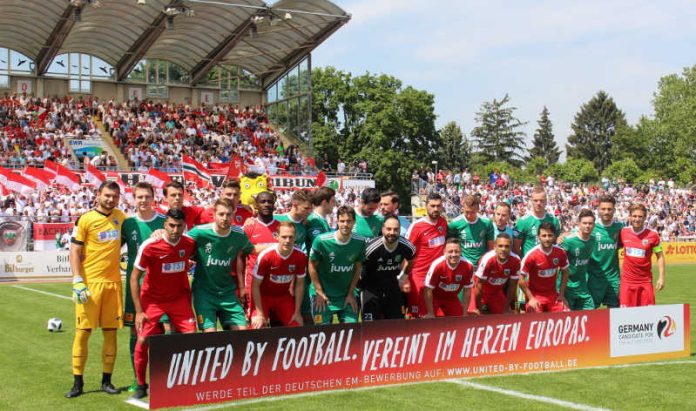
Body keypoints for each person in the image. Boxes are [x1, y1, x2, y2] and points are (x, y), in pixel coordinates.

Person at [66, 181, 126, 398]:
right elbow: (74, 251)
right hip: (90, 286)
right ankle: (77, 383)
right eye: (107, 195)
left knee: (111, 334)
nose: (110, 199)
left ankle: (107, 381)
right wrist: (77, 280)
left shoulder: (121, 218)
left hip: (113, 285)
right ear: (98, 194)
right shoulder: (85, 219)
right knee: (83, 333)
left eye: (114, 196)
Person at [129, 209, 197, 400]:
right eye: (171, 225)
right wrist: (139, 311)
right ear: (164, 225)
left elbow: (196, 256)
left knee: (192, 339)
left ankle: (184, 380)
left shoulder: (189, 243)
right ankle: (141, 385)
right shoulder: (150, 246)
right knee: (143, 340)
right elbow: (134, 278)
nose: (175, 230)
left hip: (178, 300)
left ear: (184, 226)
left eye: (179, 226)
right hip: (153, 301)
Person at [120, 182, 165, 392]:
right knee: (135, 332)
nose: (143, 201)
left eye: (147, 196)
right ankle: (138, 379)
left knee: (163, 331)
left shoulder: (165, 222)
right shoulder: (127, 224)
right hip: (135, 286)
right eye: (139, 197)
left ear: (153, 197)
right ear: (133, 198)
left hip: (161, 288)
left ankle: (162, 377)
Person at [189, 199, 254, 331]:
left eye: (228, 214)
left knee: (243, 331)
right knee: (210, 334)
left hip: (227, 293)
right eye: (221, 214)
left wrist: (278, 245)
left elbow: (253, 250)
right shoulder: (199, 232)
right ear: (214, 214)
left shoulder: (239, 235)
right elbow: (179, 243)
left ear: (233, 215)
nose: (225, 218)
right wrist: (160, 233)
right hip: (204, 293)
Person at [308, 205, 366, 324]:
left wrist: (351, 293)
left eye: (349, 221)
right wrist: (319, 292)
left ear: (354, 222)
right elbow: (311, 265)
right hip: (323, 294)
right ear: (337, 221)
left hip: (346, 295)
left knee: (352, 331)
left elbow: (358, 268)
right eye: (342, 221)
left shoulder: (360, 242)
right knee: (322, 333)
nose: (345, 224)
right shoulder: (322, 241)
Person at [250, 222, 307, 328]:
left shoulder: (301, 256)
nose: (287, 241)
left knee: (297, 325)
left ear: (295, 238)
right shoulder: (266, 256)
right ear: (277, 237)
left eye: (291, 237)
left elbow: (300, 285)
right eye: (284, 237)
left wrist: (297, 312)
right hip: (263, 297)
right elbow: (255, 285)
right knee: (257, 326)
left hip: (283, 297)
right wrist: (259, 314)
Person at [360, 214, 415, 321]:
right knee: (370, 329)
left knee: (397, 327)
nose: (392, 233)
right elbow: (358, 266)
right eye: (389, 229)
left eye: (396, 229)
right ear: (383, 229)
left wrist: (403, 278)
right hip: (371, 291)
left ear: (400, 230)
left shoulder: (408, 247)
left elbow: (411, 261)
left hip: (393, 289)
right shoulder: (371, 248)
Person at [406, 193, 448, 318]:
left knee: (435, 315)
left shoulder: (443, 222)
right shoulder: (416, 226)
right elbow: (406, 252)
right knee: (416, 316)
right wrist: (404, 276)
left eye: (438, 206)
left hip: (437, 277)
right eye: (432, 206)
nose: (435, 209)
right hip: (419, 277)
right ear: (426, 206)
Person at [619, 203, 666, 307]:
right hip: (627, 282)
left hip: (645, 282)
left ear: (645, 217)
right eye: (634, 216)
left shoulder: (653, 235)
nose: (637, 219)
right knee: (625, 318)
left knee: (648, 318)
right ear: (630, 217)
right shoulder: (623, 232)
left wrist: (661, 278)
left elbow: (660, 256)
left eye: (640, 216)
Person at [518, 222, 570, 313]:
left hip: (552, 295)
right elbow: (520, 279)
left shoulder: (560, 252)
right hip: (535, 295)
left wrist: (561, 295)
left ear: (554, 237)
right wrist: (530, 298)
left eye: (550, 235)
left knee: (566, 313)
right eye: (544, 235)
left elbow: (566, 272)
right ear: (539, 237)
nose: (547, 239)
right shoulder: (531, 255)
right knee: (536, 319)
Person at [423, 238, 474, 318]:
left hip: (452, 298)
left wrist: (464, 313)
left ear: (461, 252)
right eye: (450, 251)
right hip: (435, 297)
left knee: (459, 321)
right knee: (430, 320)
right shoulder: (437, 265)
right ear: (444, 252)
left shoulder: (468, 266)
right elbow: (428, 289)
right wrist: (430, 313)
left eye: (456, 251)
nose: (453, 254)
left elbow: (467, 290)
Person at [471, 233, 520, 315]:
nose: (503, 249)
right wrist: (478, 307)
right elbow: (479, 285)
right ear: (495, 247)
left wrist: (506, 306)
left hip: (496, 292)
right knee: (475, 315)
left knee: (506, 315)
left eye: (507, 246)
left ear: (511, 248)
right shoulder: (488, 259)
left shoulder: (516, 260)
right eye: (500, 246)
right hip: (479, 291)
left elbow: (513, 285)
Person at [587, 195, 623, 308]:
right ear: (598, 210)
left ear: (614, 210)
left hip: (613, 279)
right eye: (603, 209)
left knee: (615, 313)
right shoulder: (591, 227)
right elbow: (575, 236)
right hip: (594, 279)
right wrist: (563, 236)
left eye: (609, 209)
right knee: (591, 312)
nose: (606, 212)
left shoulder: (620, 228)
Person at [560, 209, 596, 311]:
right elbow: (557, 260)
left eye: (590, 223)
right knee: (568, 318)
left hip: (582, 286)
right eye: (584, 223)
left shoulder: (593, 240)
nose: (587, 226)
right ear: (579, 223)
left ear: (594, 225)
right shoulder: (569, 240)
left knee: (590, 313)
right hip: (567, 286)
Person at [447, 195, 494, 269]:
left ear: (478, 209)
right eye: (466, 212)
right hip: (463, 266)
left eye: (472, 212)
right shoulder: (454, 224)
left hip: (481, 266)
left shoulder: (487, 223)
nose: (469, 215)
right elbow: (449, 245)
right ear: (463, 208)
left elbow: (491, 247)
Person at [513, 186, 561, 257]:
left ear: (546, 201)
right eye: (535, 200)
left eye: (541, 200)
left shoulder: (554, 220)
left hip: (548, 263)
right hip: (530, 265)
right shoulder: (523, 222)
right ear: (531, 201)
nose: (538, 203)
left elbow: (556, 242)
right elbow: (516, 247)